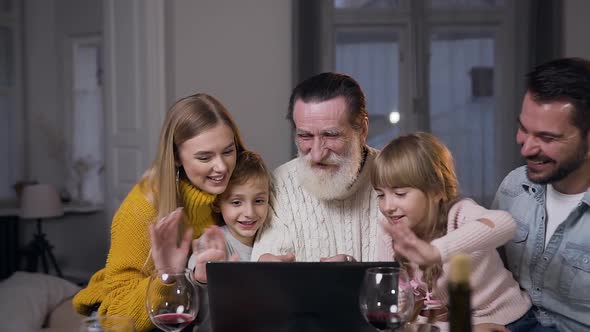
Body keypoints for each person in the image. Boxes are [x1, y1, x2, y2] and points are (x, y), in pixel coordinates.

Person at [72, 93, 246, 332]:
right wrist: (167, 276)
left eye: (228, 151)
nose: (222, 167)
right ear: (175, 157)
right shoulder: (141, 209)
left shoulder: (234, 195)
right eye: (204, 157)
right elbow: (117, 315)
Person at [373, 132, 531, 332]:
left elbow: (504, 223)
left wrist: (436, 251)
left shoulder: (459, 214)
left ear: (437, 191)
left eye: (400, 194)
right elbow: (395, 301)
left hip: (509, 322)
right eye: (380, 194)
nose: (387, 206)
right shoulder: (392, 231)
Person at [493, 57, 590, 332]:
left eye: (547, 138)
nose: (525, 149)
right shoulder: (513, 187)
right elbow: (490, 279)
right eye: (524, 129)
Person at [251, 72, 382, 262]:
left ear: (362, 130)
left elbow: (425, 280)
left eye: (331, 135)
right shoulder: (278, 184)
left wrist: (358, 280)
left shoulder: (396, 178)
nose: (317, 154)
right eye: (305, 136)